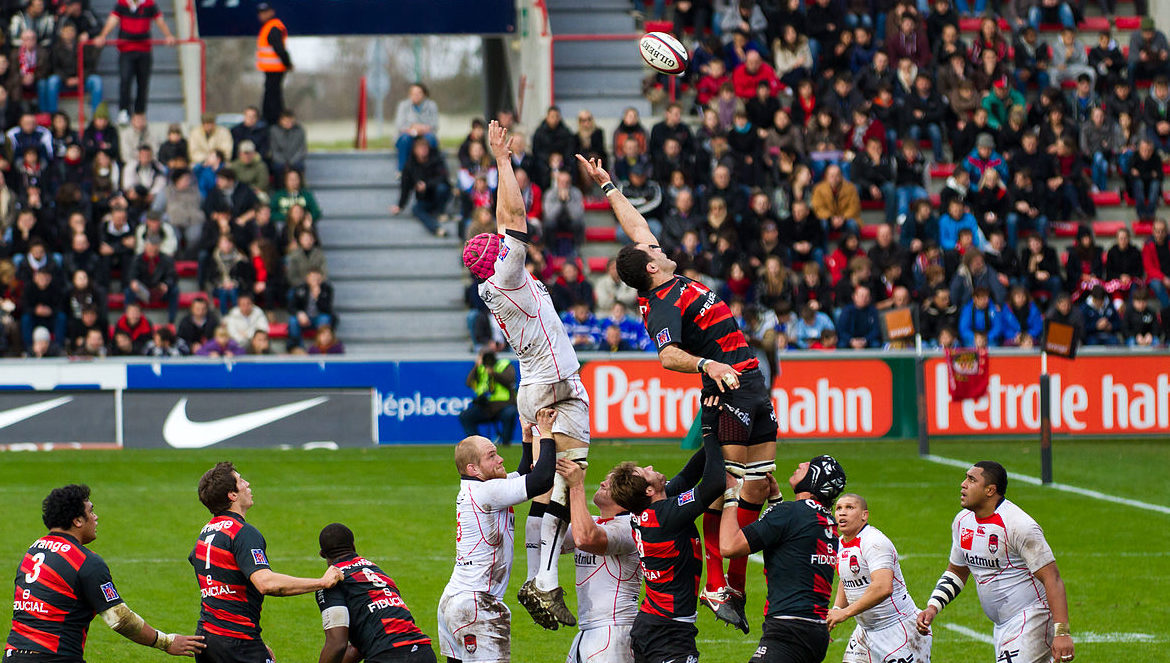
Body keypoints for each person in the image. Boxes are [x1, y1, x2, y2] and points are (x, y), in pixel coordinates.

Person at [580, 152, 777, 633]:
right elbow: (667, 357)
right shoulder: (662, 304)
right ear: (650, 270)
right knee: (722, 486)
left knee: (755, 483)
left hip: (750, 380)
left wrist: (608, 187)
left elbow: (636, 228)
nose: (659, 246)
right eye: (654, 251)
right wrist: (709, 365)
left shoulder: (661, 273)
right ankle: (720, 583)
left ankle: (727, 586)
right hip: (724, 386)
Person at [461, 121, 589, 629]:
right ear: (497, 259)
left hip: (548, 383)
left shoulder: (495, 281)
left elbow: (504, 221)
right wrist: (503, 159)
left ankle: (543, 579)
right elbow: (514, 216)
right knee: (555, 481)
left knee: (556, 481)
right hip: (548, 385)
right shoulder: (508, 274)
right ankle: (544, 578)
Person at [6, 484, 204, 660]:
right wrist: (166, 642)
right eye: (91, 511)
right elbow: (120, 619)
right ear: (77, 521)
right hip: (54, 657)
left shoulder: (32, 552)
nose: (95, 517)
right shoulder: (84, 561)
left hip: (12, 654)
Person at [916, 461, 1076, 663]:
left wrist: (1061, 632)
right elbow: (957, 571)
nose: (963, 484)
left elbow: (1052, 578)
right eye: (966, 477)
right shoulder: (962, 521)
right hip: (1003, 625)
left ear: (990, 490)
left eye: (972, 480)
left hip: (1032, 618)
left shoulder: (1019, 525)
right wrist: (933, 607)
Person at [607, 398, 725, 663]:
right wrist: (708, 430)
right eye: (645, 472)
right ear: (649, 490)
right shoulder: (664, 515)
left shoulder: (654, 510)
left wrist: (718, 432)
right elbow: (714, 483)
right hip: (668, 632)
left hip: (656, 623)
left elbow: (688, 475)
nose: (650, 468)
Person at [437, 408, 557, 663]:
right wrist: (546, 434)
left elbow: (523, 474)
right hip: (477, 605)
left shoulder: (480, 487)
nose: (501, 459)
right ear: (474, 468)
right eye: (492, 456)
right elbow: (542, 480)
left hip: (453, 600)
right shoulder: (488, 492)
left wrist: (527, 439)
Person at [190, 462, 343, 662]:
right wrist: (322, 582)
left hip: (206, 639)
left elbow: (217, 581)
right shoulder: (242, 532)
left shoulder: (205, 534)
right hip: (237, 642)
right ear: (232, 495)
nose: (247, 484)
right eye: (241, 480)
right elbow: (266, 583)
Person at [718, 455, 847, 663]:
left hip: (788, 632)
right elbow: (792, 542)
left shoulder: (789, 514)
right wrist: (776, 501)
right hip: (814, 631)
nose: (801, 463)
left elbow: (729, 546)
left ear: (815, 479)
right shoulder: (826, 520)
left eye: (809, 465)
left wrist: (731, 496)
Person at [555, 457, 641, 663]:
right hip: (588, 632)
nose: (602, 483)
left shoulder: (629, 527)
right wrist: (549, 480)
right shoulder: (593, 522)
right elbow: (545, 540)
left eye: (611, 484)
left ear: (625, 496)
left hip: (615, 632)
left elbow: (586, 539)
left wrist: (576, 486)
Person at [828, 493, 932, 663]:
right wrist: (838, 609)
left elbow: (883, 587)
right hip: (865, 631)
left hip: (898, 630)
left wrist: (845, 613)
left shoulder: (874, 542)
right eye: (839, 508)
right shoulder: (839, 544)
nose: (842, 513)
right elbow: (846, 579)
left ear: (864, 515)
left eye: (849, 507)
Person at [314, 523, 434, 663]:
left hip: (388, 656)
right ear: (353, 546)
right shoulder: (380, 575)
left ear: (322, 554)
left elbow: (337, 645)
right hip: (423, 652)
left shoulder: (331, 583)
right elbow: (358, 649)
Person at [91, 0, 177, 125]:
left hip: (144, 49)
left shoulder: (149, 4)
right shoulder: (122, 4)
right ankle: (124, 111)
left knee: (143, 82)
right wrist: (103, 35)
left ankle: (140, 112)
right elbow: (112, 20)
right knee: (125, 80)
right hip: (126, 49)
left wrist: (168, 35)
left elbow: (160, 20)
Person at [392, 136, 451, 237]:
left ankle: (440, 212)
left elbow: (443, 177)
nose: (423, 151)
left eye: (425, 148)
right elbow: (405, 186)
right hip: (424, 199)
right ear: (414, 150)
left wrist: (427, 185)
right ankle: (436, 229)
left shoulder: (436, 159)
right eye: (420, 148)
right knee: (416, 210)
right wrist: (400, 205)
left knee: (442, 188)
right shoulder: (410, 165)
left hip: (438, 195)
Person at [458, 346, 518, 446]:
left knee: (510, 413)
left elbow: (510, 381)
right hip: (486, 405)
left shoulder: (504, 364)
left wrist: (493, 373)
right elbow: (469, 382)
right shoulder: (480, 368)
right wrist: (476, 366)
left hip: (503, 404)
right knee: (465, 416)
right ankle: (479, 444)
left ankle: (506, 443)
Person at [255, 3, 291, 127]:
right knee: (270, 95)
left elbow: (279, 48)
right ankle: (269, 118)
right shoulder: (268, 27)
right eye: (260, 13)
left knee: (273, 97)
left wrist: (287, 63)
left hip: (275, 69)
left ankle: (274, 120)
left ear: (271, 12)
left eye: (265, 12)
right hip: (270, 69)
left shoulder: (273, 27)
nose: (262, 15)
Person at [395, 82, 439, 172]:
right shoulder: (403, 106)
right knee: (404, 139)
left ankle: (430, 170)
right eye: (413, 93)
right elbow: (400, 125)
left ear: (424, 94)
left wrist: (421, 128)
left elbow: (434, 125)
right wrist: (412, 128)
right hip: (408, 133)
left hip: (425, 134)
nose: (416, 96)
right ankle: (402, 171)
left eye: (419, 93)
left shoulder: (431, 106)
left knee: (431, 139)